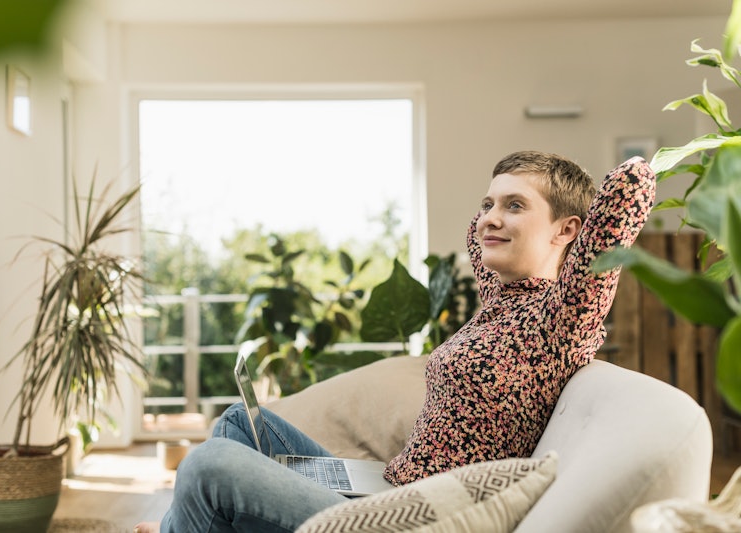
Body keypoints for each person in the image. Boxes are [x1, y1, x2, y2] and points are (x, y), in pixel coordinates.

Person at [134, 150, 656, 533]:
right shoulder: (503, 300)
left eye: (515, 205)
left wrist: (648, 160)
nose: (492, 217)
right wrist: (505, 212)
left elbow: (629, 190)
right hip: (384, 485)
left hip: (402, 520)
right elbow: (481, 238)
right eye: (489, 202)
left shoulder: (562, 317)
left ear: (569, 231)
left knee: (209, 465)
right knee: (237, 422)